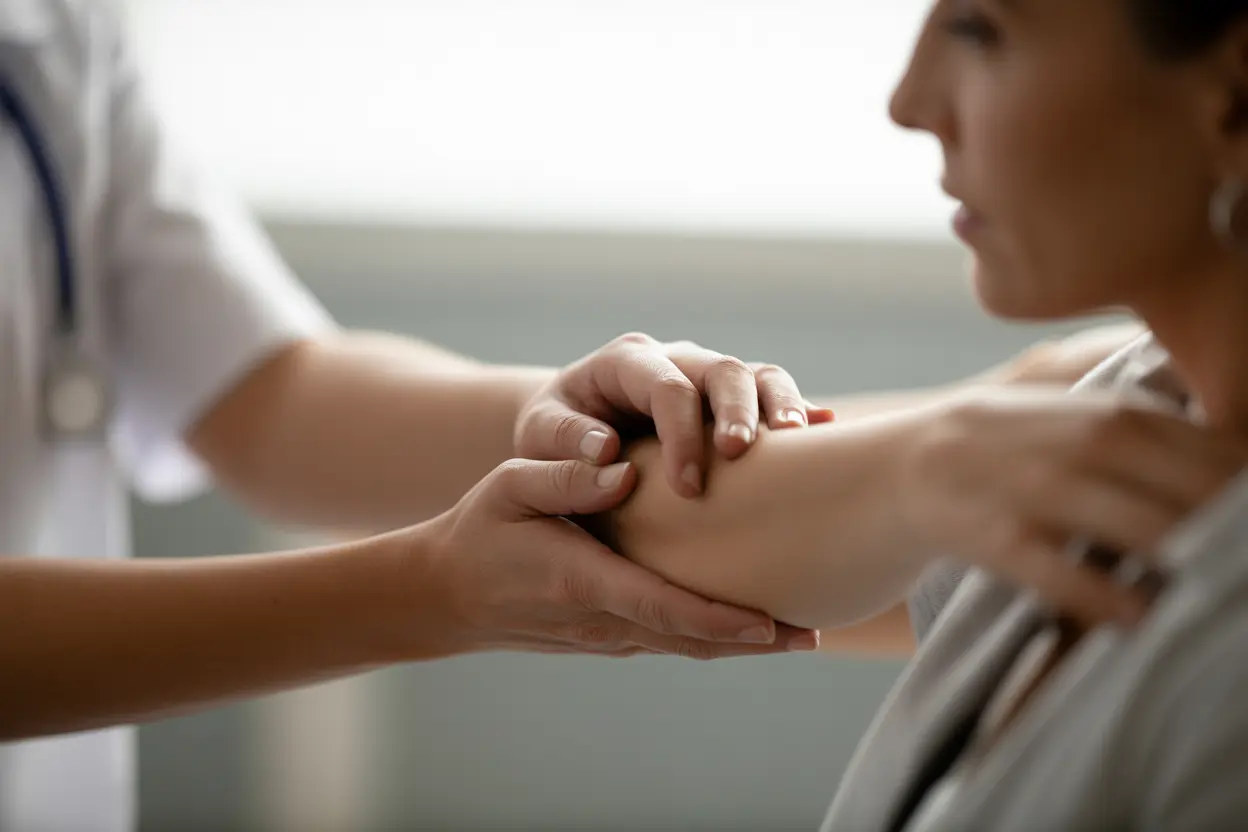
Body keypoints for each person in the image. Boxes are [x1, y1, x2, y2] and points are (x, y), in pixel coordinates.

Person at [589, 0, 1248, 828]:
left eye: (980, 29)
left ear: (1234, 90)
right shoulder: (1135, 398)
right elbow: (609, 514)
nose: (908, 102)